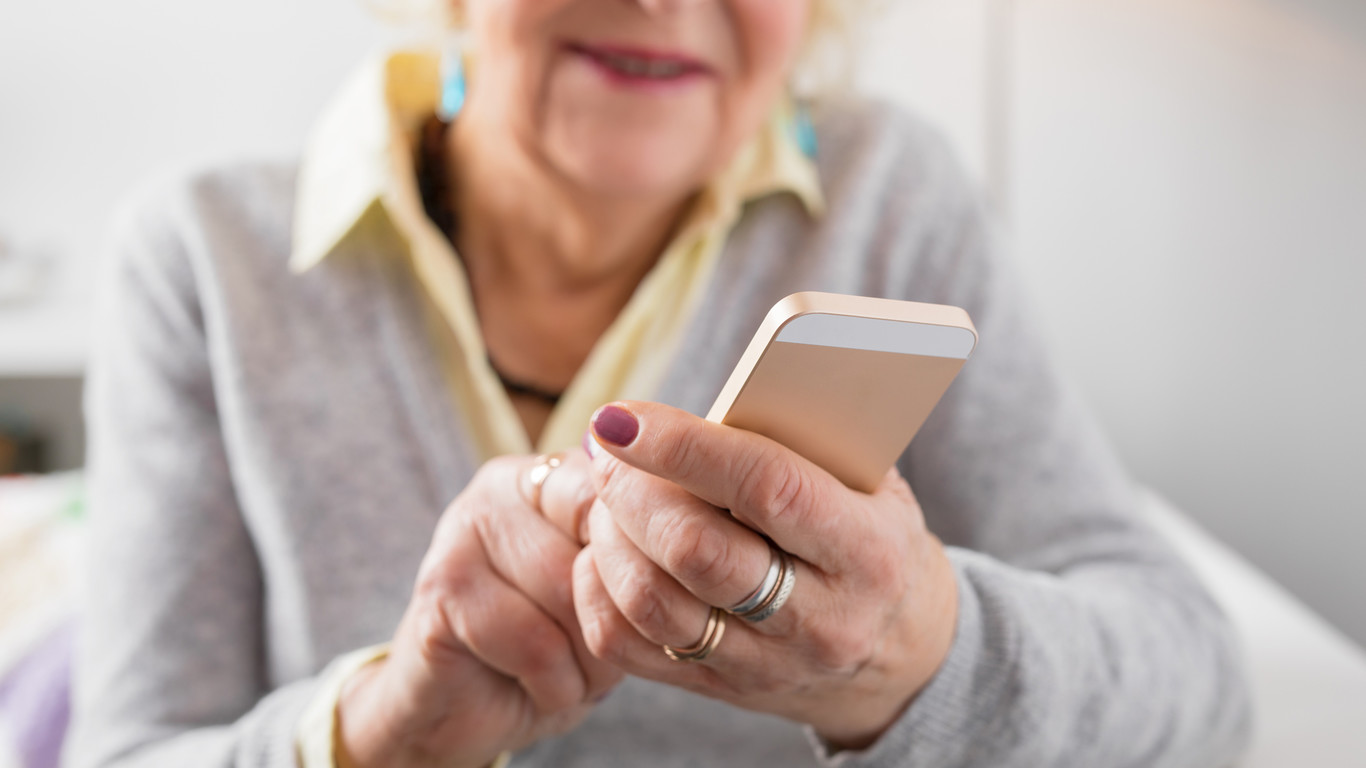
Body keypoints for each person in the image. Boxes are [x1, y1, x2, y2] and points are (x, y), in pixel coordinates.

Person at [68, 1, 1253, 766]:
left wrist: (915, 658)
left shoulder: (891, 199)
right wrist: (382, 735)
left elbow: (1195, 683)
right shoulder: (204, 257)